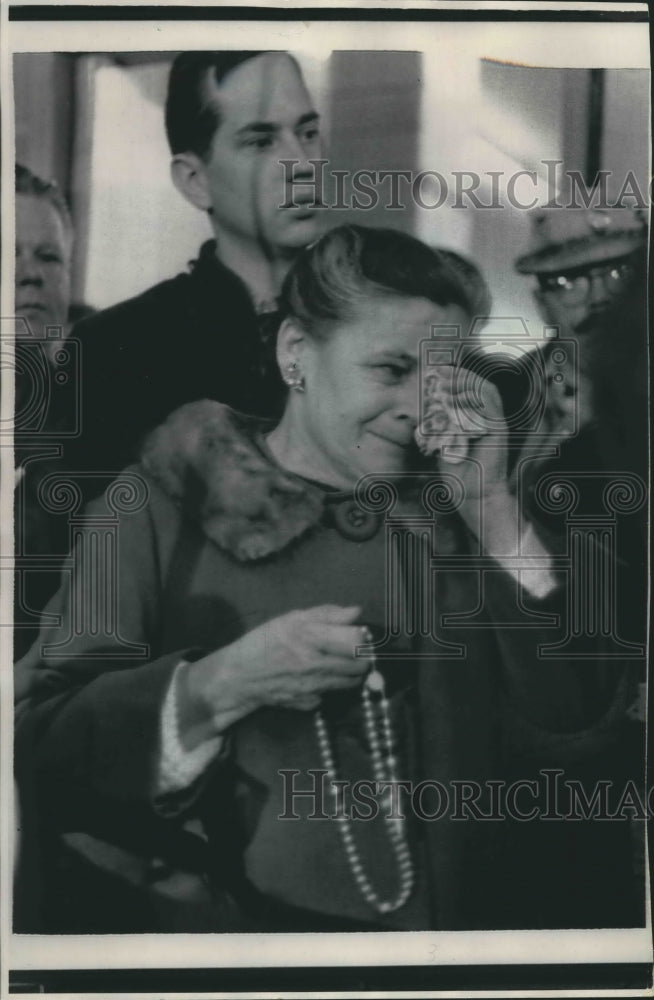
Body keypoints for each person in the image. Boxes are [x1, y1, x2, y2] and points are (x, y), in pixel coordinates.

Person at [15, 226, 640, 933]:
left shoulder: (468, 508)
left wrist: (494, 510)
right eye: (391, 369)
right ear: (295, 355)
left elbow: (587, 723)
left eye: (443, 375)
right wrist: (213, 687)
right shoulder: (157, 505)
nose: (419, 406)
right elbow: (42, 752)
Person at [59, 50, 324, 484]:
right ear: (194, 181)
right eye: (261, 141)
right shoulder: (114, 348)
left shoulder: (374, 322)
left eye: (309, 132)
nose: (303, 164)